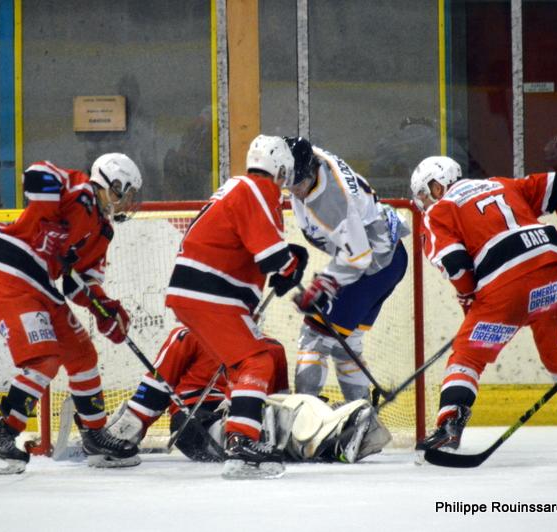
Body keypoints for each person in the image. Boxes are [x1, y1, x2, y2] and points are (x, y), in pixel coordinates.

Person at [0, 153, 144, 474]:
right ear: (112, 183)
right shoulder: (79, 190)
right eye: (127, 192)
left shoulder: (103, 231)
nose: (128, 201)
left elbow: (80, 284)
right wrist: (51, 213)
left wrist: (105, 310)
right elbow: (36, 173)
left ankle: (94, 435)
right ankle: (2, 437)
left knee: (82, 354)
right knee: (43, 360)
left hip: (42, 284)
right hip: (11, 270)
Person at [410, 155, 557, 456]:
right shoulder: (502, 184)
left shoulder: (439, 212)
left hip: (505, 288)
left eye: (424, 193)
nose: (424, 202)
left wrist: (468, 293)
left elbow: (456, 265)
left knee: (467, 357)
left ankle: (449, 426)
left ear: (438, 185)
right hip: (554, 274)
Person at [165, 134, 308, 479]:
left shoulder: (240, 187)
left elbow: (253, 249)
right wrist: (292, 265)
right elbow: (272, 257)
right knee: (257, 359)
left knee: (242, 362)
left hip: (198, 290)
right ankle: (241, 442)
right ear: (280, 170)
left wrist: (287, 263)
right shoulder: (259, 190)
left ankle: (240, 434)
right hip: (210, 292)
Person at [107, 325, 390, 464]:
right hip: (197, 421)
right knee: (274, 419)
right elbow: (156, 387)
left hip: (250, 420)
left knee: (288, 411)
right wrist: (125, 432)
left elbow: (280, 401)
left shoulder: (272, 348)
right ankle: (332, 435)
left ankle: (335, 435)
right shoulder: (189, 334)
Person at [285, 137, 411, 403]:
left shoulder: (332, 200)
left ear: (310, 171)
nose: (295, 190)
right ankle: (361, 415)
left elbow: (358, 257)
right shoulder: (310, 159)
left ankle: (304, 415)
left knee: (314, 338)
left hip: (371, 266)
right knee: (346, 345)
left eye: (299, 183)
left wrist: (323, 286)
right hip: (391, 259)